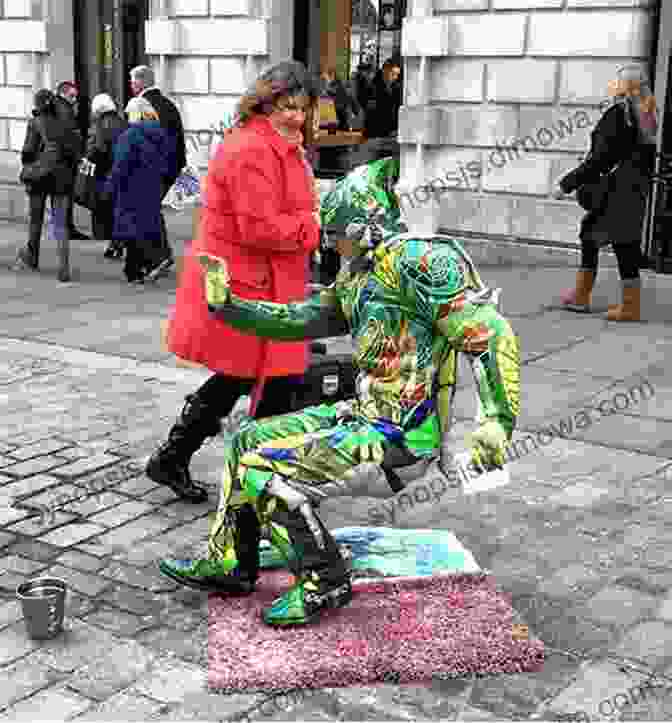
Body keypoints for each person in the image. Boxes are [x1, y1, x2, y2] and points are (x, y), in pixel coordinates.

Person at [158, 156, 521, 628]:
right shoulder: (357, 274)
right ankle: (232, 562)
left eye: (338, 232)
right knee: (247, 439)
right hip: (365, 414)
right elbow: (300, 319)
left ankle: (324, 579)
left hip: (401, 436)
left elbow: (490, 334)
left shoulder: (419, 262)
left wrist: (496, 420)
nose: (332, 244)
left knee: (260, 468)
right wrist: (229, 306)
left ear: (366, 224)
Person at [146, 60, 321, 504]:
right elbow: (260, 228)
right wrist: (314, 226)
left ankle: (216, 466)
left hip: (270, 284)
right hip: (247, 286)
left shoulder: (283, 145)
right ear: (265, 102)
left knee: (261, 381)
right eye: (286, 106)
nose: (296, 117)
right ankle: (252, 479)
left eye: (302, 108)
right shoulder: (252, 149)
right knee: (254, 380)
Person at [553, 64, 657, 322]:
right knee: (596, 237)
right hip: (632, 190)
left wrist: (566, 184)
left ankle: (625, 307)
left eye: (618, 83)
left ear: (622, 88)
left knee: (619, 244)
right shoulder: (646, 113)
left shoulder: (618, 115)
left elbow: (600, 160)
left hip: (615, 192)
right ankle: (582, 296)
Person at [105, 97, 175, 284]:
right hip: (152, 187)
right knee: (145, 227)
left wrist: (109, 186)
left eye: (128, 114)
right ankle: (143, 266)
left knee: (131, 230)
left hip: (130, 188)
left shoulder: (130, 136)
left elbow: (121, 165)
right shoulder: (161, 134)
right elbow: (167, 163)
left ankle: (136, 269)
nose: (127, 117)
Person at [14, 89, 81, 282]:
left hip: (39, 178)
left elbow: (27, 151)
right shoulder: (64, 123)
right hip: (61, 179)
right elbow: (74, 152)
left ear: (37, 105)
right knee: (60, 223)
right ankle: (64, 267)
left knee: (35, 219)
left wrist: (30, 167)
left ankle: (32, 257)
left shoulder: (34, 123)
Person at [128, 65, 187, 280]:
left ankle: (158, 256)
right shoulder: (169, 104)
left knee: (146, 209)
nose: (131, 85)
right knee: (150, 208)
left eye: (133, 81)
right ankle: (161, 255)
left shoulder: (142, 105)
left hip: (152, 167)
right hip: (170, 166)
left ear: (142, 82)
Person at [85, 93, 128, 257]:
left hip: (106, 172)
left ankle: (115, 244)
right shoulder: (122, 122)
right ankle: (117, 244)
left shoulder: (101, 125)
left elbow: (98, 149)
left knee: (109, 209)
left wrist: (87, 157)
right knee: (119, 208)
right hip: (122, 170)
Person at [55, 81, 89, 242]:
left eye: (75, 96)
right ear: (63, 93)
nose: (74, 99)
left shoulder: (57, 107)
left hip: (59, 159)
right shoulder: (64, 110)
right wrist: (78, 157)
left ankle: (62, 228)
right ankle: (66, 229)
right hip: (65, 160)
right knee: (65, 195)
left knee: (61, 196)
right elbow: (69, 137)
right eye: (72, 96)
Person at [363, 58, 402, 140]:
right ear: (385, 71)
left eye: (397, 74)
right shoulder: (372, 87)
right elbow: (372, 114)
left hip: (391, 134)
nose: (395, 77)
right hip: (375, 135)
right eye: (393, 74)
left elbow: (396, 110)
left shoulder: (396, 88)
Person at [319, 67, 360, 132]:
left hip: (337, 118)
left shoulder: (337, 87)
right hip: (336, 119)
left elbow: (349, 99)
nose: (323, 80)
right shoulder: (338, 85)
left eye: (324, 79)